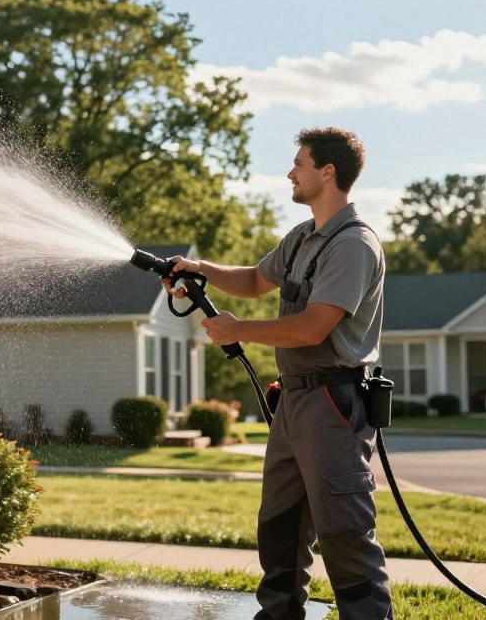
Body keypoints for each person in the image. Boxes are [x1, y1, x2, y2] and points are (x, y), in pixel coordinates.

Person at [164, 127, 392, 620]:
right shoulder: (303, 237)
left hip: (332, 403)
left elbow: (313, 328)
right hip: (292, 402)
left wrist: (238, 329)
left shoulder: (354, 244)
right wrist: (198, 268)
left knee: (345, 536)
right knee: (281, 528)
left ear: (327, 172)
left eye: (300, 164)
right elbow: (253, 280)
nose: (290, 172)